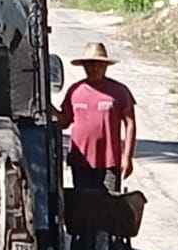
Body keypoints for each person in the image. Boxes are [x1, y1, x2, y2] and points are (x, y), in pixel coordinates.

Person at [58, 42, 137, 191]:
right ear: (84, 66)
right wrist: (47, 106)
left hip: (109, 161)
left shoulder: (119, 91)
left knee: (109, 202)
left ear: (105, 66)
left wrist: (127, 157)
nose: (94, 68)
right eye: (89, 64)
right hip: (80, 160)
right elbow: (64, 121)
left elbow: (130, 124)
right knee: (83, 201)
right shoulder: (75, 91)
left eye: (99, 64)